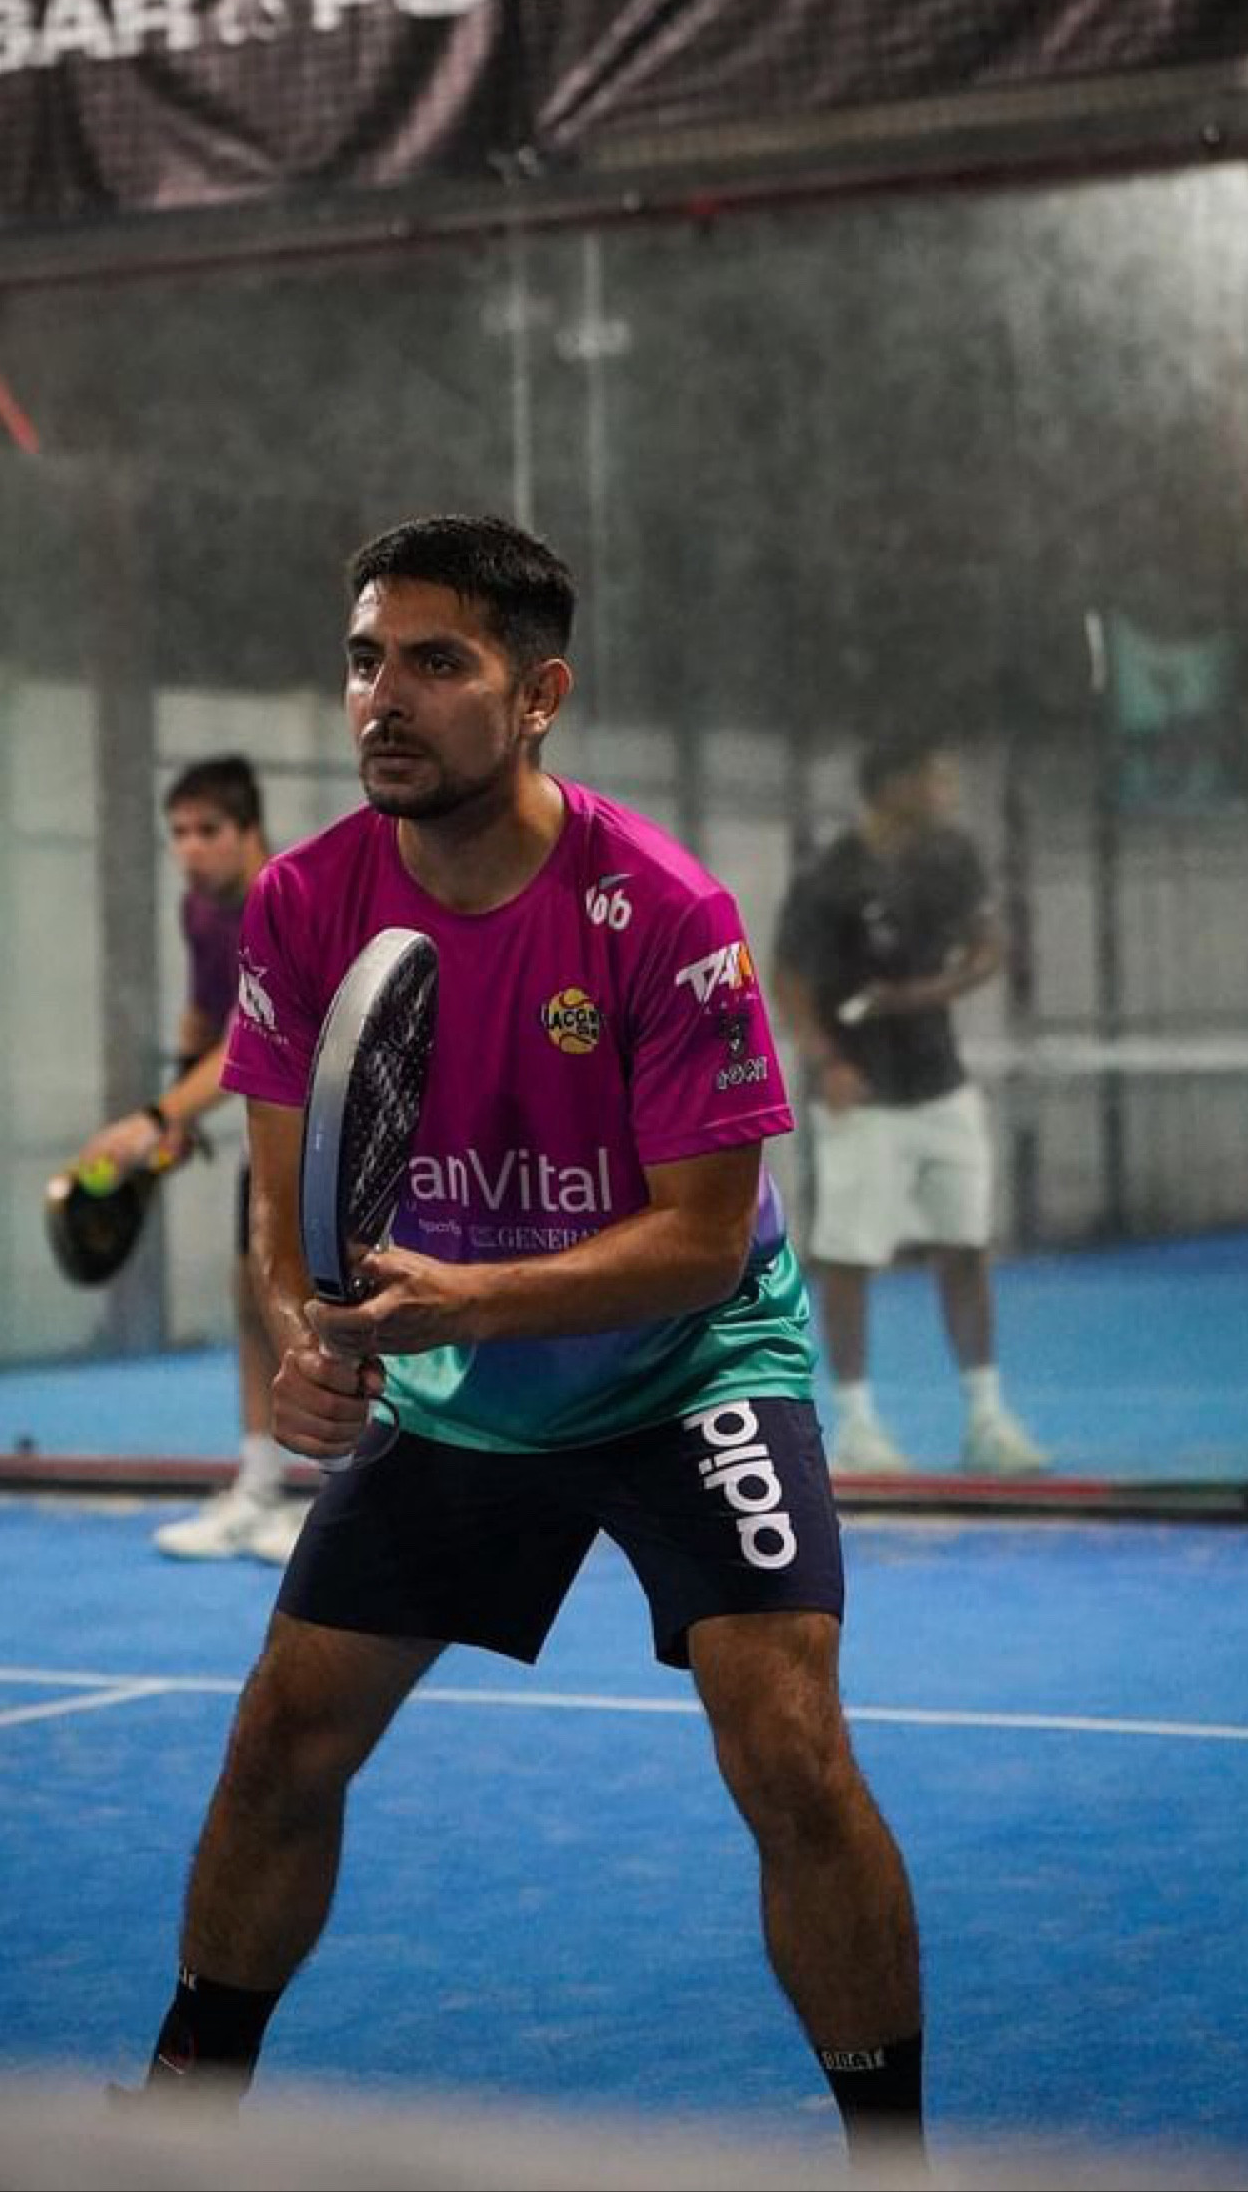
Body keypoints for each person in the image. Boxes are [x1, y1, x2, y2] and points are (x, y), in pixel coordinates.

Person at [134, 515, 926, 2175]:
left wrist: (467, 1301)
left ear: (540, 693)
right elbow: (289, 1214)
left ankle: (894, 2158)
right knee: (283, 1739)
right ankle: (179, 2114)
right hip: (459, 1384)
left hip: (690, 1364)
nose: (385, 696)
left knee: (787, 1742)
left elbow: (701, 1235)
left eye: (438, 661)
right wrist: (308, 1343)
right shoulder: (302, 902)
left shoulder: (666, 909)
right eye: (366, 659)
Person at [770, 738, 1049, 1479]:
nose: (948, 791)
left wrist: (927, 994)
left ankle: (987, 1419)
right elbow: (789, 979)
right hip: (860, 1096)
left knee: (966, 1248)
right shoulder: (831, 877)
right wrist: (828, 1062)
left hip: (942, 1088)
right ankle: (858, 1426)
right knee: (849, 1258)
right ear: (893, 786)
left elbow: (988, 947)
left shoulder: (952, 857)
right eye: (936, 778)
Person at [75, 754, 304, 1565]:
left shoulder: (286, 900)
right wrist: (177, 1107)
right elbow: (207, 1013)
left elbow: (250, 1038)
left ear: (250, 832)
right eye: (178, 832)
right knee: (250, 1292)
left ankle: (339, 1499)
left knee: (320, 1307)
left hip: (337, 1125)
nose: (190, 848)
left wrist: (157, 1118)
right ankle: (260, 1488)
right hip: (269, 1124)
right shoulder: (202, 911)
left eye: (209, 830)